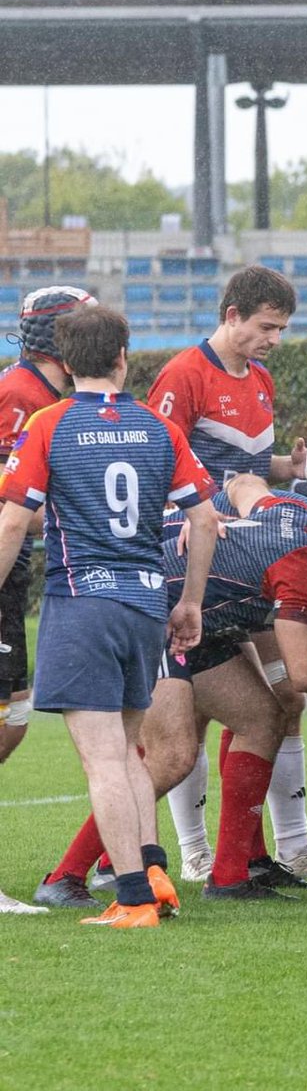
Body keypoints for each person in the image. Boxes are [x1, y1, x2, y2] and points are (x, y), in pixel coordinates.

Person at [0, 304, 219, 928]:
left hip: (84, 603)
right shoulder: (157, 427)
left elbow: (14, 520)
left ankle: (132, 898)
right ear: (124, 358)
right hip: (147, 603)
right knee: (127, 750)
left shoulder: (49, 424)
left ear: (66, 364)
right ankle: (153, 870)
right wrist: (190, 601)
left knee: (101, 758)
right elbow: (204, 517)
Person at [36, 474, 307, 905]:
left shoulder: (304, 510)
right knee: (173, 755)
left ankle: (229, 876)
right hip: (150, 609)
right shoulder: (305, 563)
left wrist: (204, 519)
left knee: (262, 718)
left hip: (196, 617)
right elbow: (306, 672)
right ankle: (66, 874)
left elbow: (243, 483)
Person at [148, 265, 307, 882]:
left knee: (284, 699)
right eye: (266, 327)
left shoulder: (258, 378)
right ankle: (199, 852)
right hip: (200, 560)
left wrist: (291, 465)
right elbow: (157, 459)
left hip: (250, 557)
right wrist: (179, 521)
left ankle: (285, 847)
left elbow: (247, 469)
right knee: (202, 715)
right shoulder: (184, 373)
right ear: (231, 316)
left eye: (282, 329)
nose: (275, 340)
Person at [0, 286, 95, 765]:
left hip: (13, 569)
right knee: (9, 723)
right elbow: (7, 504)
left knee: (13, 721)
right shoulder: (21, 395)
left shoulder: (55, 396)